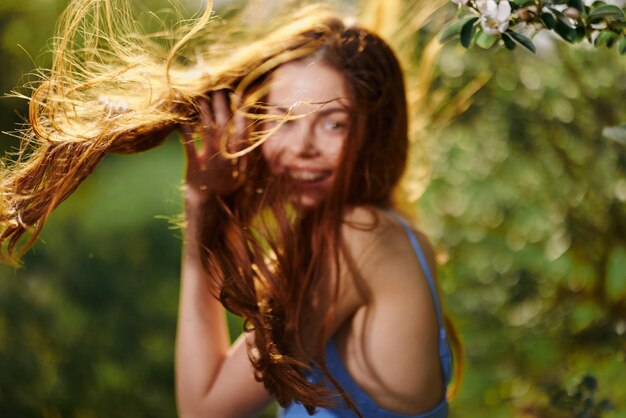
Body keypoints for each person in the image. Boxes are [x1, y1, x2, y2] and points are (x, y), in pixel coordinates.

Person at [0, 2, 460, 417]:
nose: (302, 147)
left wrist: (203, 207)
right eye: (283, 119)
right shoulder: (394, 227)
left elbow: (203, 409)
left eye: (333, 123)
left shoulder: (356, 240)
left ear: (373, 134)